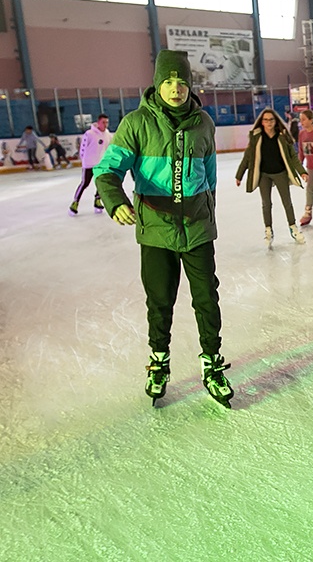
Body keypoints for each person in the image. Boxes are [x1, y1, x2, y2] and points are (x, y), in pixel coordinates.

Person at [93, 50, 234, 408]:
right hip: (156, 229)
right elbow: (106, 170)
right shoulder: (137, 123)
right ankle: (159, 362)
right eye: (169, 81)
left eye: (182, 81)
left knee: (207, 299)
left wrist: (209, 213)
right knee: (160, 301)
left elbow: (211, 176)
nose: (176, 89)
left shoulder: (203, 122)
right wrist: (116, 201)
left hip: (198, 228)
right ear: (158, 84)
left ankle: (212, 365)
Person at [236, 108, 308, 246]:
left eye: (271, 119)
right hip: (264, 175)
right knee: (266, 204)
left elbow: (293, 156)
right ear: (262, 122)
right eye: (266, 120)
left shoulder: (282, 136)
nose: (268, 122)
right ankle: (268, 230)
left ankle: (293, 228)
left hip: (280, 173)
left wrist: (302, 171)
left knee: (287, 202)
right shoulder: (257, 137)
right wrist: (240, 174)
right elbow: (248, 157)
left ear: (275, 121)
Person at [69, 114, 111, 216]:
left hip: (101, 165)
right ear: (98, 122)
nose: (105, 125)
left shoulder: (108, 134)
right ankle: (75, 202)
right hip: (89, 164)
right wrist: (84, 161)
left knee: (101, 184)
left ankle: (97, 200)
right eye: (103, 122)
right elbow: (82, 148)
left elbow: (109, 148)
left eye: (107, 122)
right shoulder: (89, 134)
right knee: (85, 184)